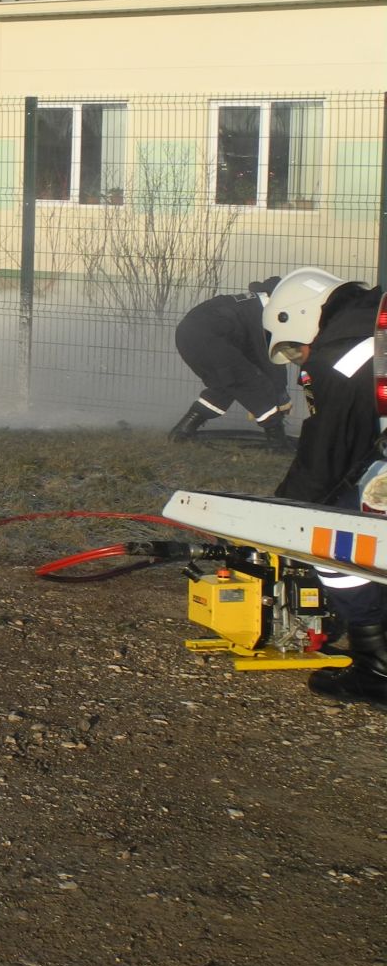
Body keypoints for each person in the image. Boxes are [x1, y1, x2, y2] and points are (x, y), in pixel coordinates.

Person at [265, 267, 387, 708]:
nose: (301, 360)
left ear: (298, 318)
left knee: (332, 536)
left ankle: (376, 663)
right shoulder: (371, 320)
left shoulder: (339, 354)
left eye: (295, 350)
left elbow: (327, 455)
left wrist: (278, 518)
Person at [168, 276, 293, 445]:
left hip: (186, 336)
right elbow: (267, 359)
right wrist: (281, 396)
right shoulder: (263, 313)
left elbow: (255, 354)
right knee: (253, 383)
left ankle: (182, 431)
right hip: (209, 338)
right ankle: (277, 440)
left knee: (226, 384)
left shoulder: (247, 304)